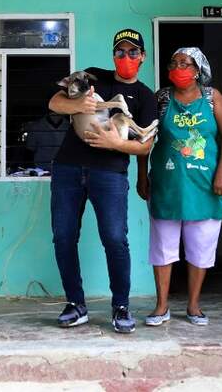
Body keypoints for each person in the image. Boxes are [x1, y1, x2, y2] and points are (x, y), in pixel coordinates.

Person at [47, 28, 157, 333]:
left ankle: (121, 307)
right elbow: (55, 102)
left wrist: (117, 144)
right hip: (68, 167)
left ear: (142, 57)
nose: (126, 57)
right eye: (120, 52)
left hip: (109, 173)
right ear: (113, 55)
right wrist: (78, 106)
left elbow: (146, 146)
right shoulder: (92, 77)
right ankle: (76, 304)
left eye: (132, 52)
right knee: (63, 236)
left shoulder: (145, 96)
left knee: (114, 238)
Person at [137, 47, 222, 326]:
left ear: (197, 70)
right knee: (163, 246)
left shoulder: (212, 98)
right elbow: (144, 137)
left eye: (184, 63)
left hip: (206, 184)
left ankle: (194, 305)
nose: (177, 68)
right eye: (174, 63)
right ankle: (161, 306)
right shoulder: (162, 98)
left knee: (201, 245)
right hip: (167, 183)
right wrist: (142, 175)